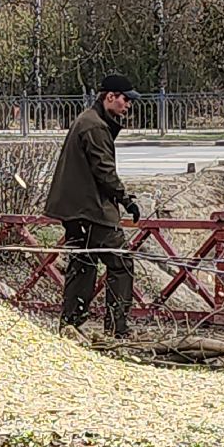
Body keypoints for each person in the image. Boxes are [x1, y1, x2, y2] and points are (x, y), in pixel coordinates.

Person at [44, 73, 142, 339]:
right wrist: (126, 200)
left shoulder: (88, 120)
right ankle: (117, 330)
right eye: (125, 100)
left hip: (75, 209)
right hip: (91, 210)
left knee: (82, 263)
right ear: (110, 97)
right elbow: (105, 172)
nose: (128, 106)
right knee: (120, 263)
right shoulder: (95, 126)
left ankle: (71, 324)